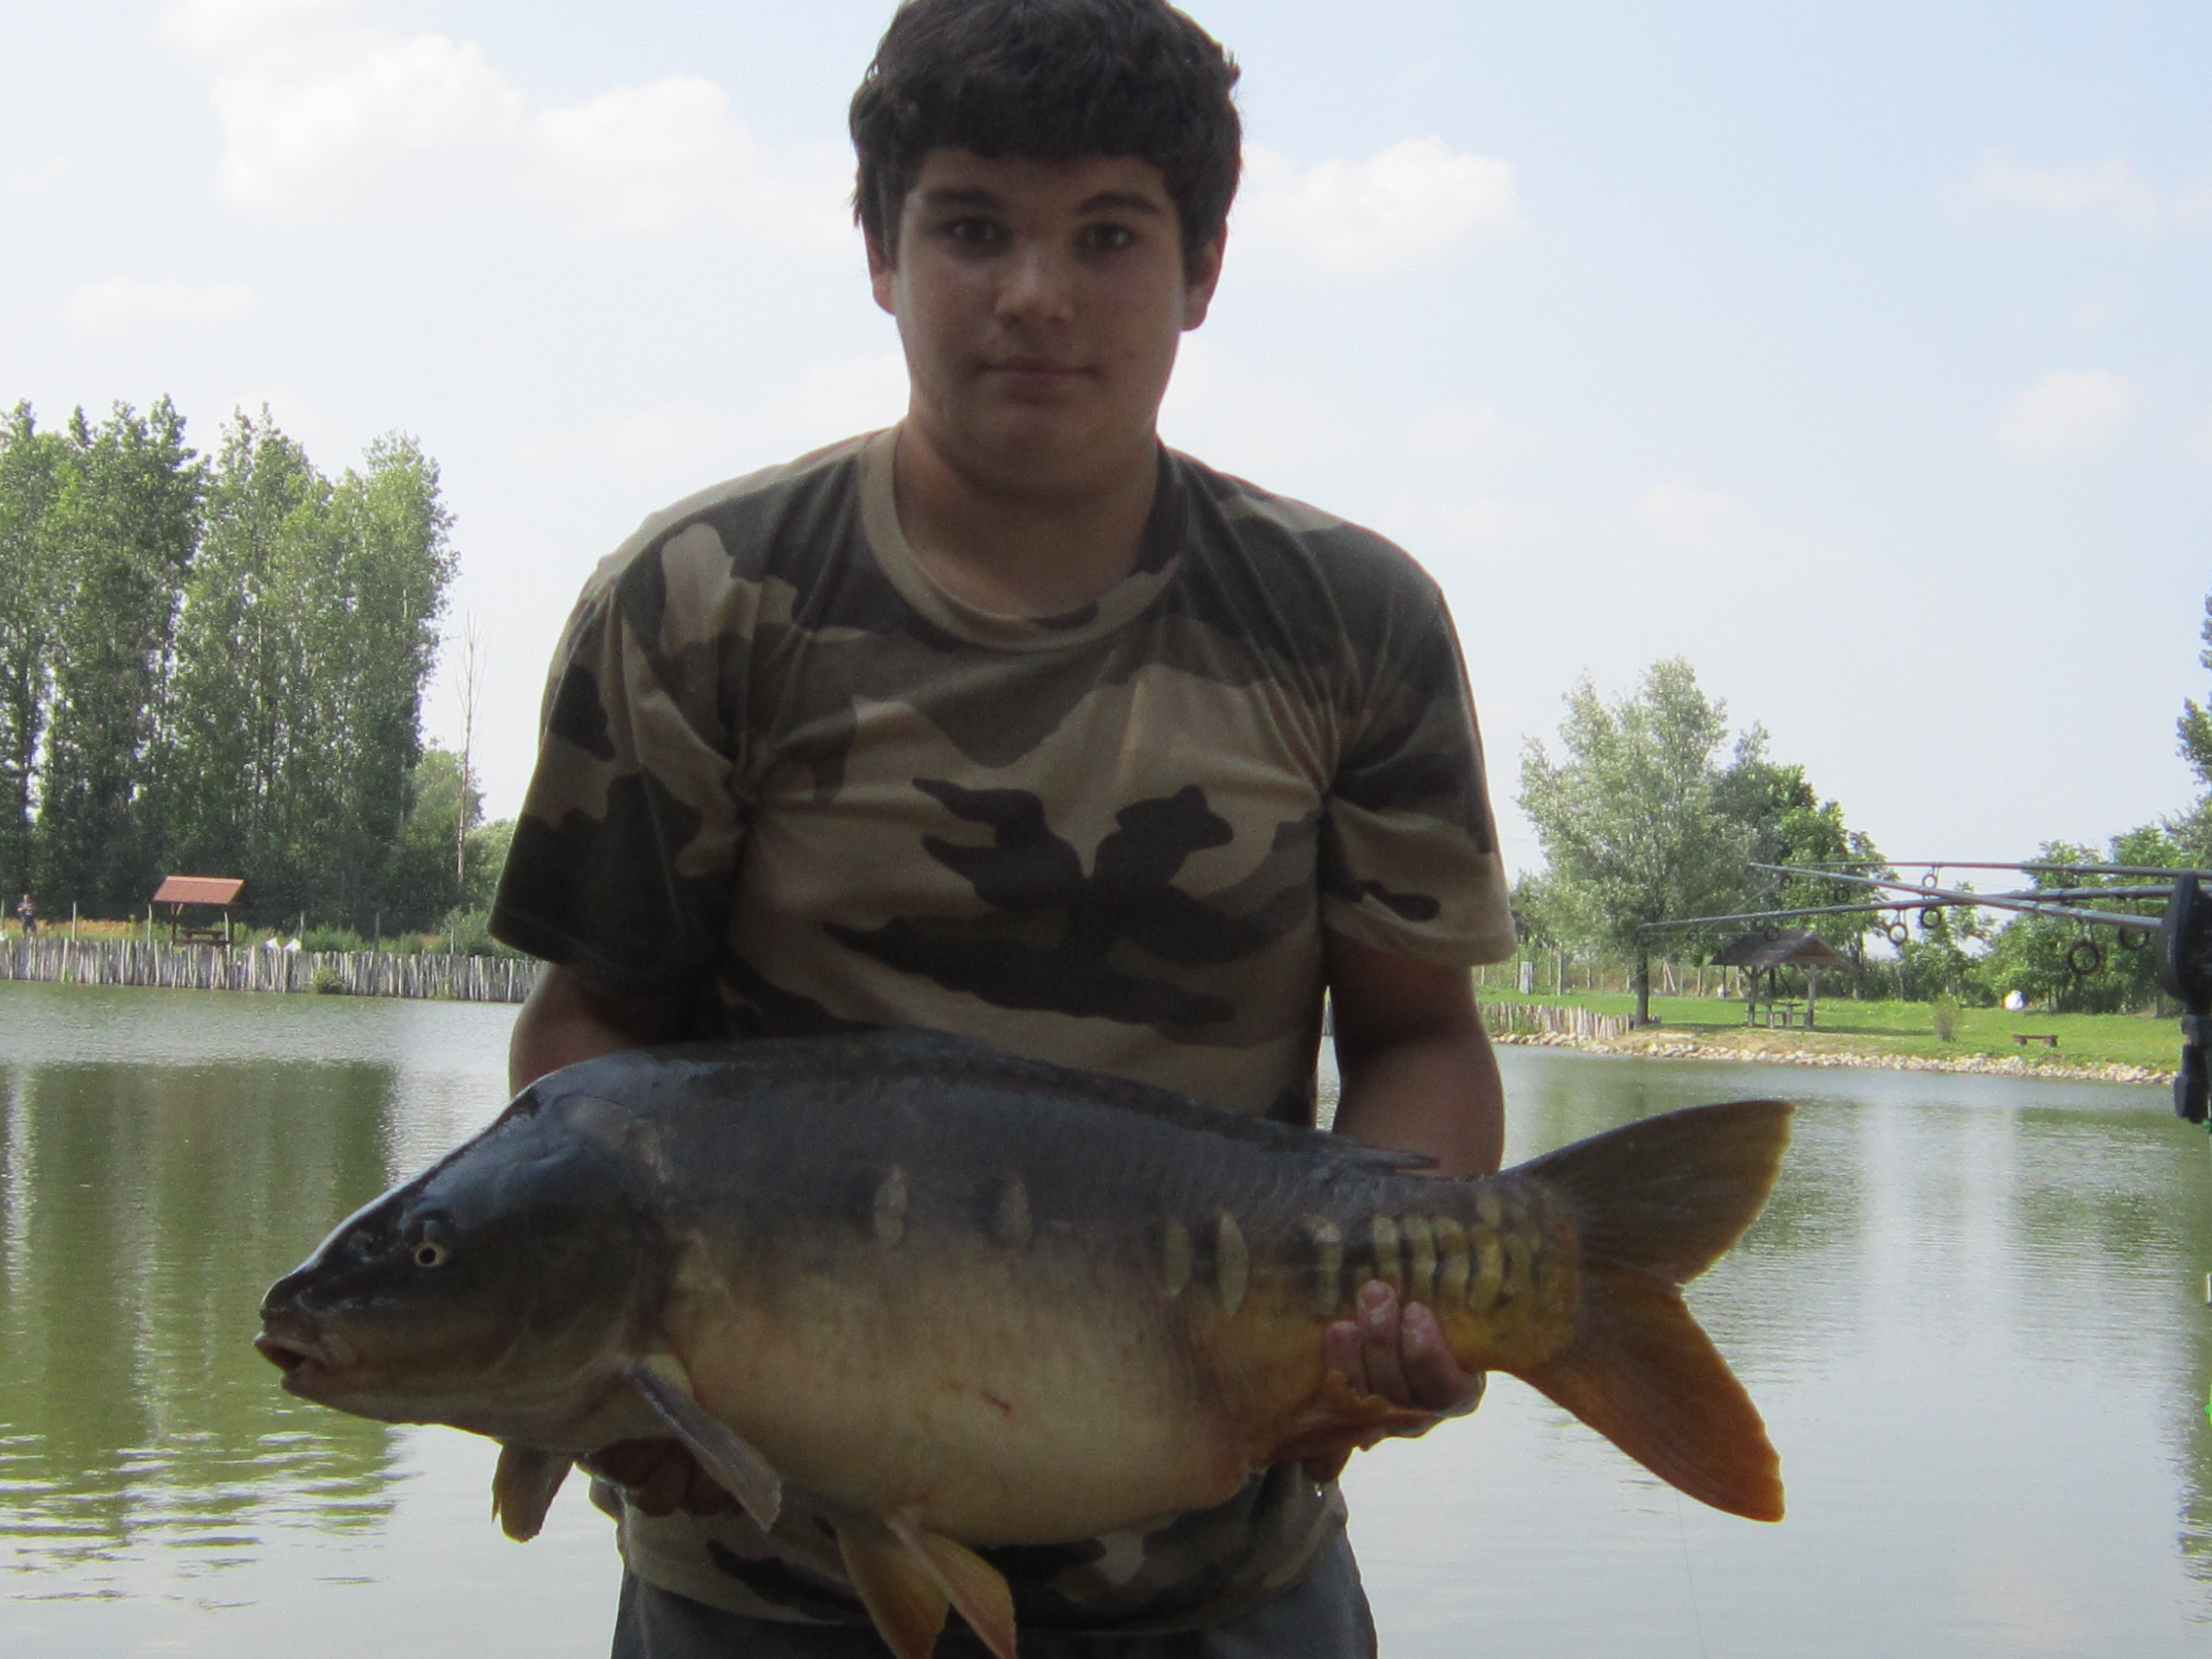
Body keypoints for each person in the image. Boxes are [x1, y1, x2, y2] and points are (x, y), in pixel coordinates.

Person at [492, 1, 1517, 1653]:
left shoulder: (1353, 623)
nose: (1036, 294)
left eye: (1108, 236)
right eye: (972, 228)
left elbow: (1423, 1040)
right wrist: (611, 1368)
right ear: (881, 253)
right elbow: (586, 1041)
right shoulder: (695, 604)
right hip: (763, 1582)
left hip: (1223, 1577)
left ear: (1202, 269)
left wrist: (1400, 1294)